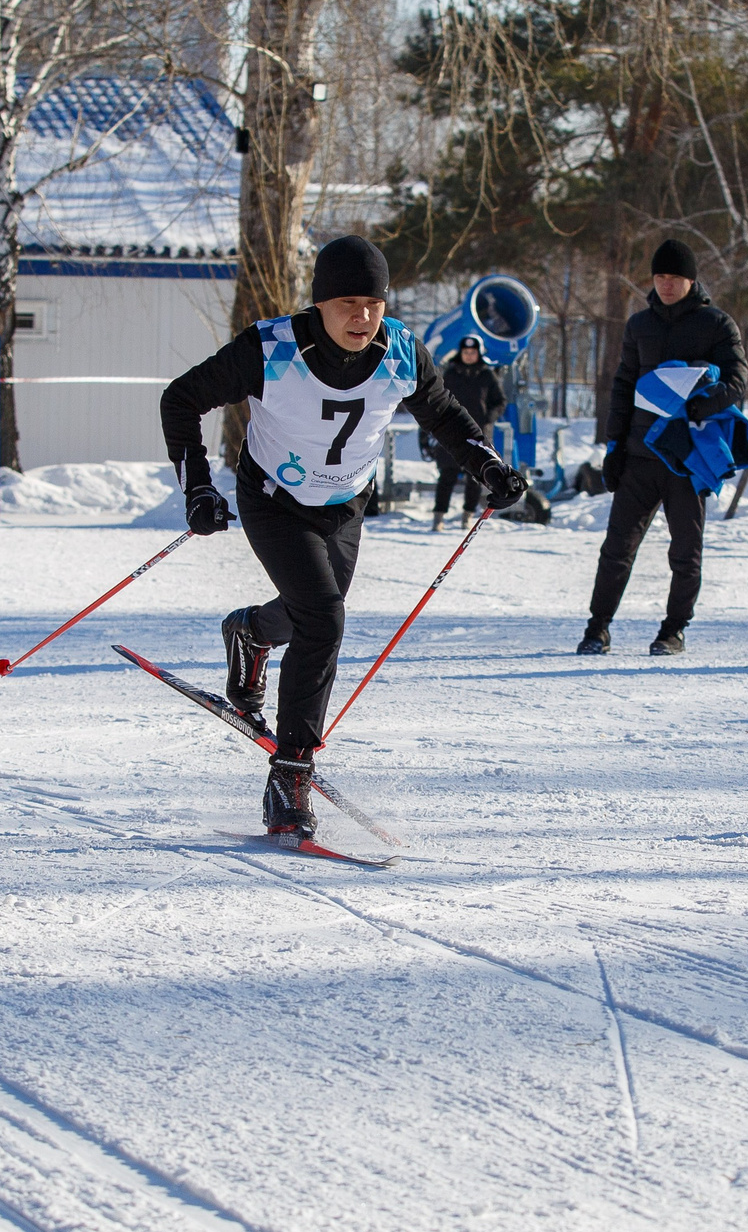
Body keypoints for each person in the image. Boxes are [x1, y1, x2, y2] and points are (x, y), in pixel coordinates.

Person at [159, 235, 530, 837]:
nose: (362, 317)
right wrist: (198, 487)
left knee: (311, 614)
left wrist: (487, 465)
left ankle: (251, 635)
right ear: (320, 303)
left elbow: (442, 414)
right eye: (347, 303)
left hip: (343, 503)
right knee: (324, 617)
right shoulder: (271, 348)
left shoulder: (402, 351)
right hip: (274, 499)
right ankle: (289, 775)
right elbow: (180, 400)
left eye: (374, 304)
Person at [579, 237, 747, 657]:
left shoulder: (717, 325)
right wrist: (614, 446)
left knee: (685, 551)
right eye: (660, 277)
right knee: (616, 548)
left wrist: (698, 404)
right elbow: (622, 386)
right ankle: (597, 628)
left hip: (687, 458)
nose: (667, 284)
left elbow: (736, 383)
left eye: (675, 277)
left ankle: (673, 630)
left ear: (691, 280)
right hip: (638, 456)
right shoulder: (639, 326)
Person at [431, 334, 507, 530]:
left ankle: (467, 515)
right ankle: (438, 517)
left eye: (473, 352)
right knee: (446, 475)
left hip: (478, 434)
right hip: (451, 433)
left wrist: (488, 417)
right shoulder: (451, 373)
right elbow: (438, 398)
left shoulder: (487, 375)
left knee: (475, 478)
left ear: (478, 353)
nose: (469, 356)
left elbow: (499, 402)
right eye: (466, 352)